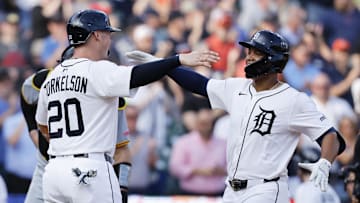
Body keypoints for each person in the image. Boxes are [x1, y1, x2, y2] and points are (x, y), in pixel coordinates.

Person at [126, 30, 345, 203]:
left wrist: (325, 161)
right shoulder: (237, 88)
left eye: (255, 52)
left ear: (272, 60)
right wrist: (163, 65)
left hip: (266, 189)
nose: (248, 57)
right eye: (249, 51)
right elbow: (199, 84)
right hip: (231, 188)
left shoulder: (293, 99)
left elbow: (331, 136)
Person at [34, 9, 219, 203]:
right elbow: (138, 75)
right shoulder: (97, 69)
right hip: (89, 169)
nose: (110, 39)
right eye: (107, 34)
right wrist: (177, 60)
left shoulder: (52, 77)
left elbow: (43, 127)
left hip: (54, 171)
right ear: (96, 35)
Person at [20, 48, 132, 203]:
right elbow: (26, 92)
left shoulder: (109, 95)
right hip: (50, 164)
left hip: (72, 169)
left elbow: (122, 150)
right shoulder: (48, 78)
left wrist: (122, 190)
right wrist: (32, 129)